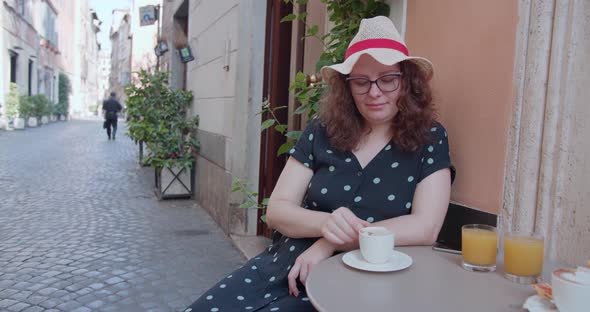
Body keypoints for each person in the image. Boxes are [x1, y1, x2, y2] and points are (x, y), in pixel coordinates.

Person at [185, 16, 455, 312]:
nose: (374, 92)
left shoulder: (430, 137)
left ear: (407, 82)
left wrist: (331, 243)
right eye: (361, 82)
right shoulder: (322, 130)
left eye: (388, 79)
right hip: (285, 263)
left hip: (364, 281)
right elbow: (277, 210)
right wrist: (327, 223)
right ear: (347, 88)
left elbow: (425, 227)